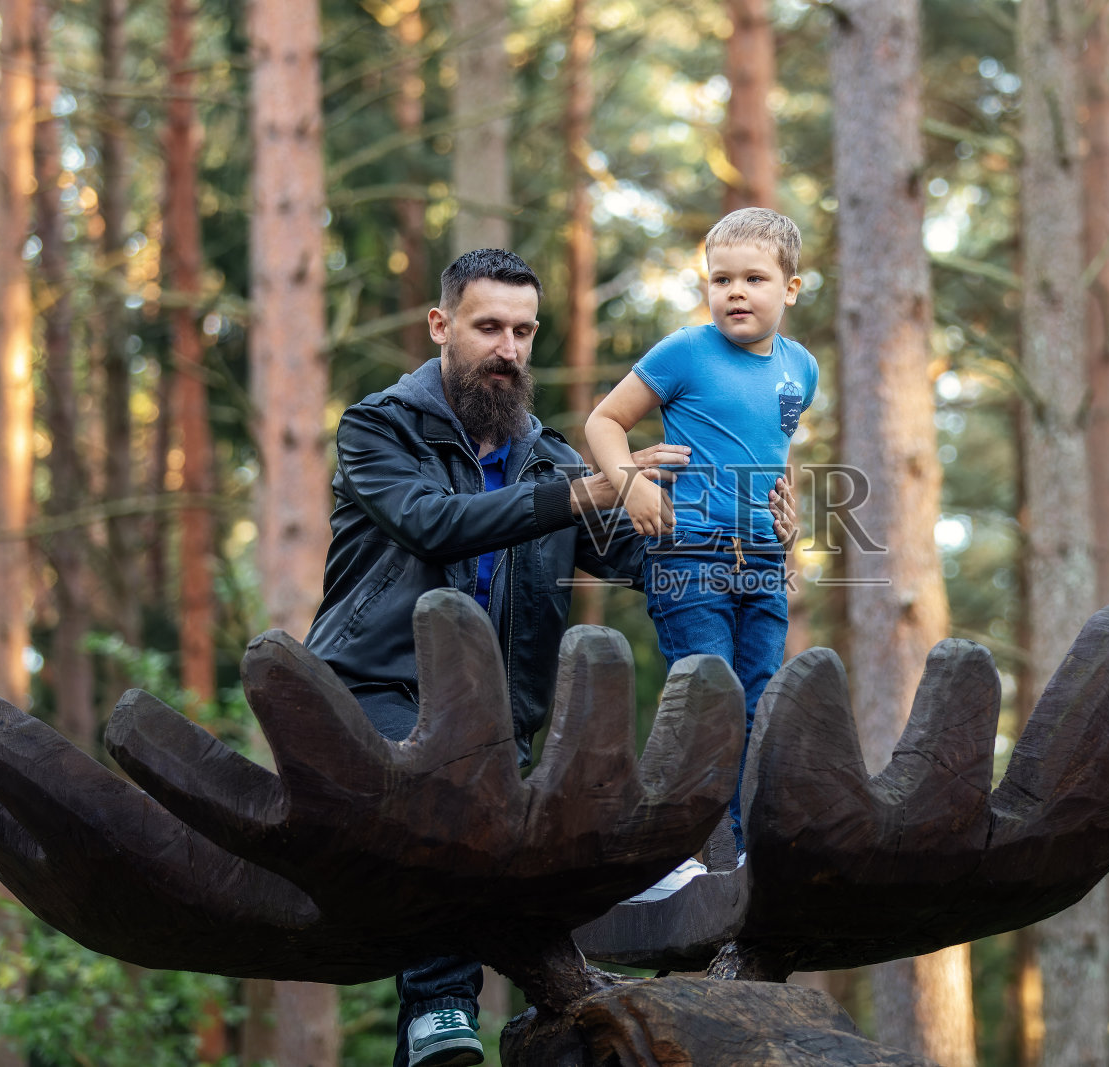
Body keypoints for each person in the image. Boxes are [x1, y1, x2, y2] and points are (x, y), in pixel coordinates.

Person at [304, 248, 795, 1067]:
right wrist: (585, 490)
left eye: (524, 331)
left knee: (556, 824)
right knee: (451, 789)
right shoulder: (379, 427)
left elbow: (646, 553)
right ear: (441, 325)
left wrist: (750, 532)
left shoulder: (549, 454)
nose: (509, 349)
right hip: (372, 692)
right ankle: (439, 1004)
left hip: (501, 722)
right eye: (489, 327)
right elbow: (433, 522)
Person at [584, 208, 818, 866]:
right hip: (689, 555)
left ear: (790, 289)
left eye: (754, 279)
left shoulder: (801, 369)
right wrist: (630, 485)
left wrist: (789, 520)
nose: (735, 292)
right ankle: (676, 853)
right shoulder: (685, 352)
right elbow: (604, 421)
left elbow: (771, 454)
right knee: (705, 699)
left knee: (757, 703)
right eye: (721, 279)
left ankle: (735, 852)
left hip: (764, 563)